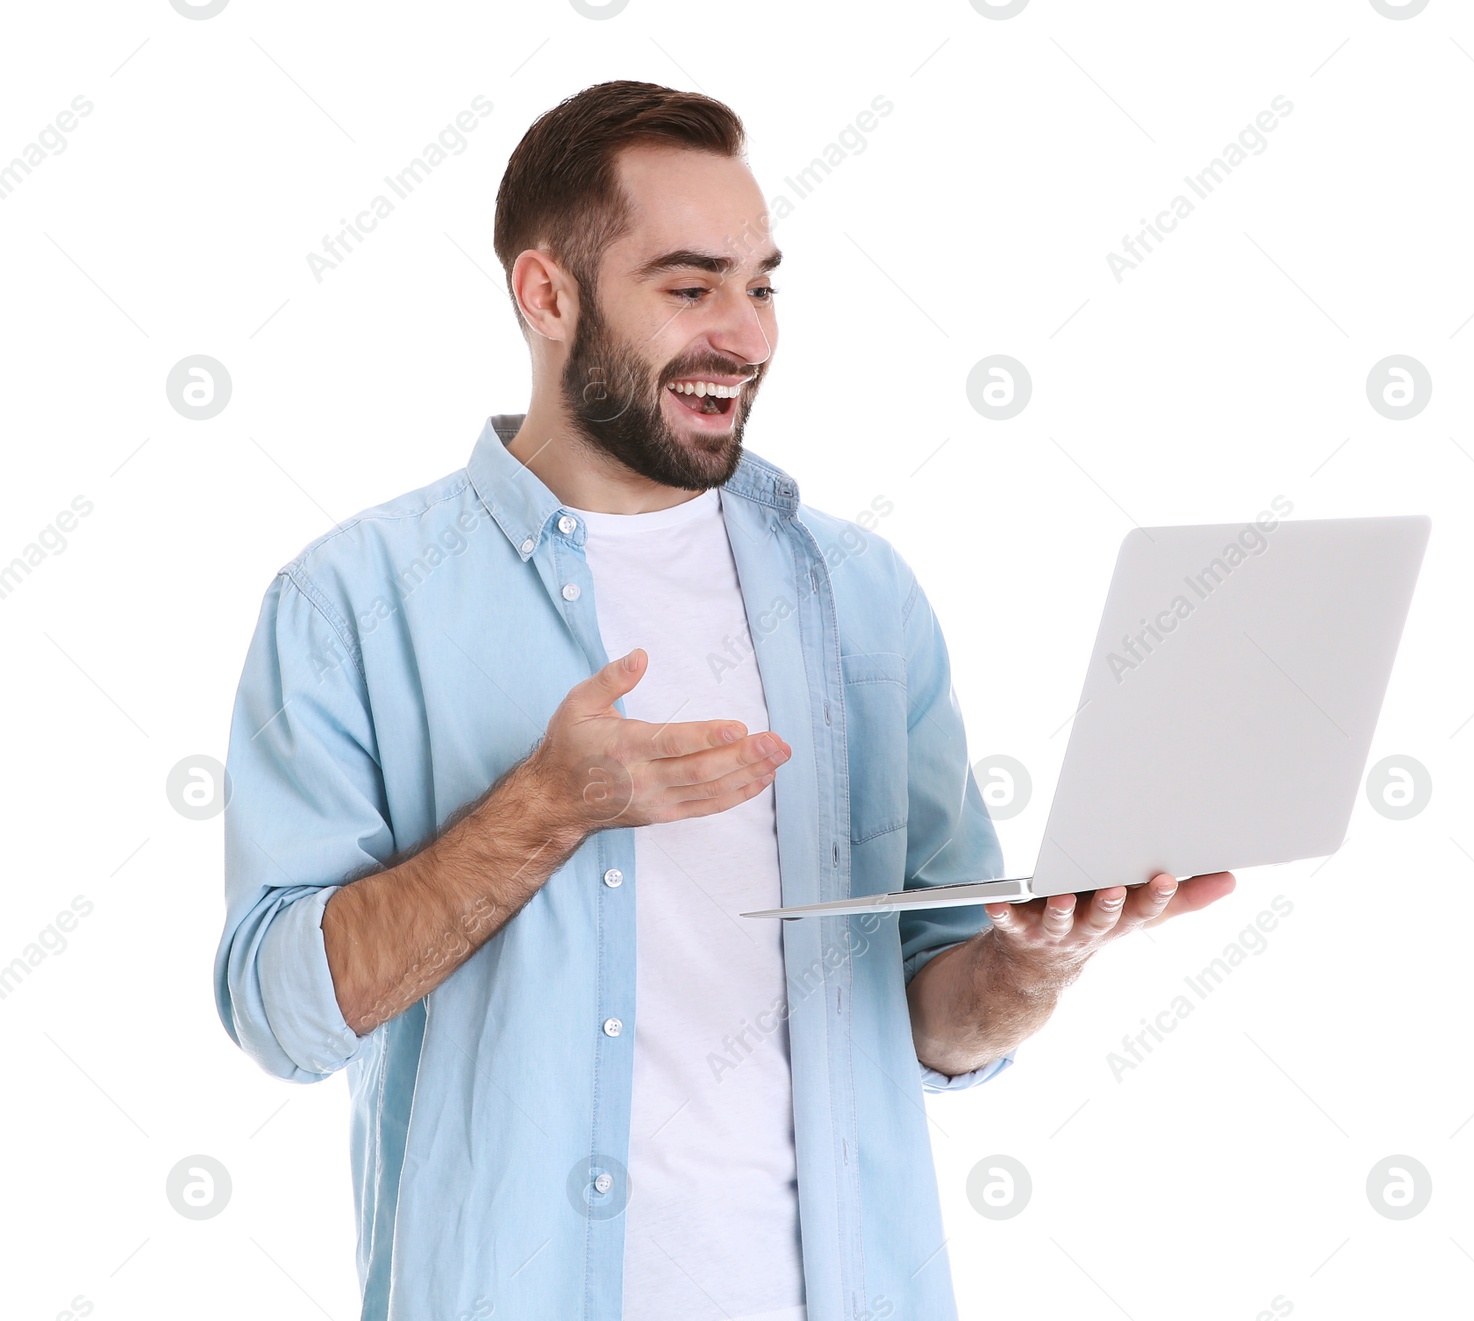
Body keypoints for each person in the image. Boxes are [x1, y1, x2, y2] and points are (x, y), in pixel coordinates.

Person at [214, 79, 1235, 1321]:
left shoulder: (860, 596)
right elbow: (282, 1012)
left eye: (760, 286)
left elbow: (935, 1019)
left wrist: (1035, 967)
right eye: (689, 287)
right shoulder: (354, 599)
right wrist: (543, 809)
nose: (744, 336)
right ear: (547, 295)